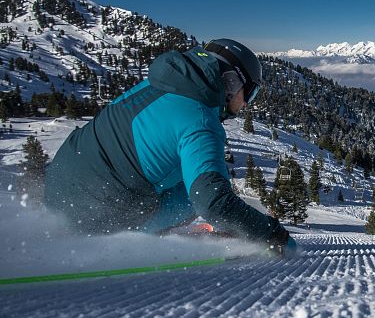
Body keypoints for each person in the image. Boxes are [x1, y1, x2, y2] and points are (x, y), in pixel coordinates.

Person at [44, 39, 295, 255]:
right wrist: (274, 235)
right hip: (96, 219)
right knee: (194, 191)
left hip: (56, 189)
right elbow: (212, 203)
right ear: (231, 84)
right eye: (249, 94)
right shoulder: (200, 120)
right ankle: (145, 236)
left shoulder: (157, 85)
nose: (247, 105)